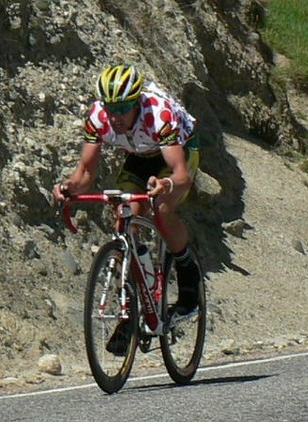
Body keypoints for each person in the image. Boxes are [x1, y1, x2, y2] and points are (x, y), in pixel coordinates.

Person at [52, 63, 201, 354]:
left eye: (123, 108)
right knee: (124, 220)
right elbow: (84, 174)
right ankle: (134, 306)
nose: (115, 116)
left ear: (137, 102)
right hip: (139, 156)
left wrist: (166, 186)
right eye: (111, 107)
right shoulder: (98, 118)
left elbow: (180, 174)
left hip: (176, 153)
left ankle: (187, 278)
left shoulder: (159, 115)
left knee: (162, 209)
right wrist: (68, 188)